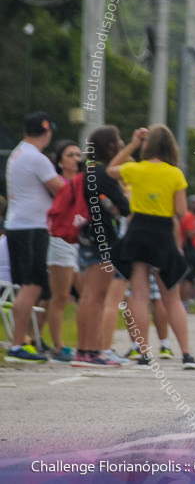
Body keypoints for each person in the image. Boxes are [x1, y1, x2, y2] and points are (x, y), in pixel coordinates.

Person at [107, 125, 195, 369]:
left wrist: (132, 145)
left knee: (139, 296)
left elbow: (110, 169)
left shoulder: (135, 169)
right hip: (162, 233)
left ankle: (145, 354)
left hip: (138, 231)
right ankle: (187, 354)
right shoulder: (175, 174)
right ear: (170, 147)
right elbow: (180, 211)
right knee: (171, 297)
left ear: (148, 145)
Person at [4, 112, 63, 363]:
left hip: (17, 225)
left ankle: (21, 342)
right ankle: (18, 344)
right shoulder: (36, 158)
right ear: (47, 132)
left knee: (25, 287)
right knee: (32, 285)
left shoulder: (18, 153)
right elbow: (60, 188)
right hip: (32, 228)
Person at [71, 126, 131, 368]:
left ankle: (85, 350)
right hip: (102, 239)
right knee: (96, 297)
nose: (120, 143)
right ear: (110, 146)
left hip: (86, 237)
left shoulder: (87, 172)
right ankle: (90, 351)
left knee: (88, 296)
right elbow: (125, 207)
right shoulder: (104, 174)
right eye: (118, 141)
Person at [44, 139, 84, 362]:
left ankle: (89, 344)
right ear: (60, 162)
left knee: (86, 293)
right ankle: (58, 346)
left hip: (79, 241)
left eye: (78, 155)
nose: (76, 159)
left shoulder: (81, 181)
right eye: (70, 155)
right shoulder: (56, 183)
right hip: (60, 239)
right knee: (60, 296)